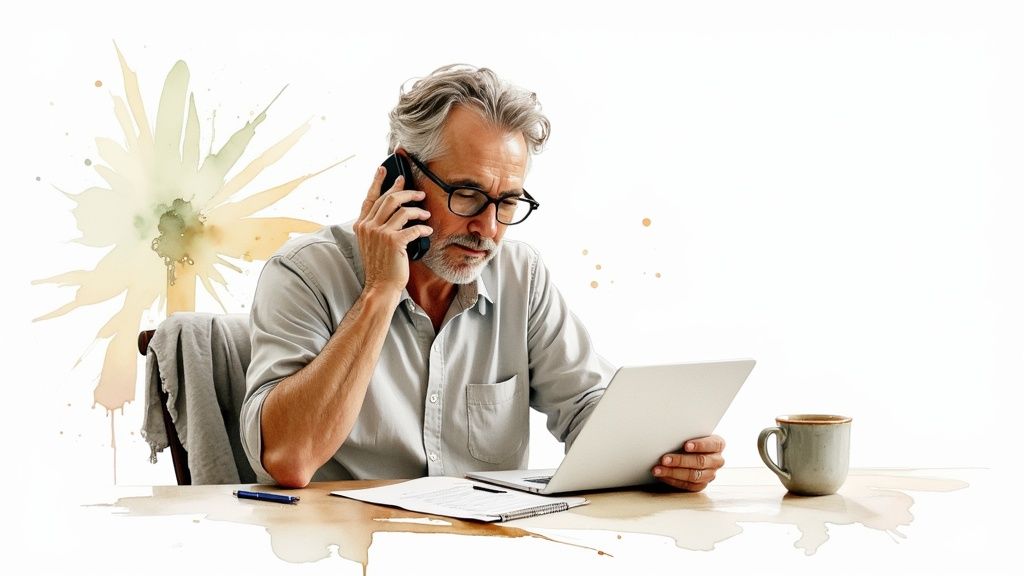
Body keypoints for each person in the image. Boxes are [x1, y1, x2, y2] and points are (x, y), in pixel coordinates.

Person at [239, 64, 726, 490]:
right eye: (468, 195)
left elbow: (586, 406)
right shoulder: (303, 273)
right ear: (400, 176)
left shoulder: (521, 276)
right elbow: (289, 458)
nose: (488, 230)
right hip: (350, 555)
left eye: (509, 202)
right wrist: (379, 293)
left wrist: (665, 457)